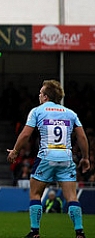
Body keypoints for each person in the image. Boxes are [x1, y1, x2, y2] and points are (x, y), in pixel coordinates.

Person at [7, 79, 90, 238]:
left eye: (40, 93)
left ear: (45, 97)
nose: (39, 95)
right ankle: (79, 232)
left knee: (35, 194)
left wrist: (15, 151)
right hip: (66, 157)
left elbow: (25, 134)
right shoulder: (71, 113)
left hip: (46, 156)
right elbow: (82, 137)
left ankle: (35, 232)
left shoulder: (37, 111)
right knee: (72, 197)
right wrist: (85, 157)